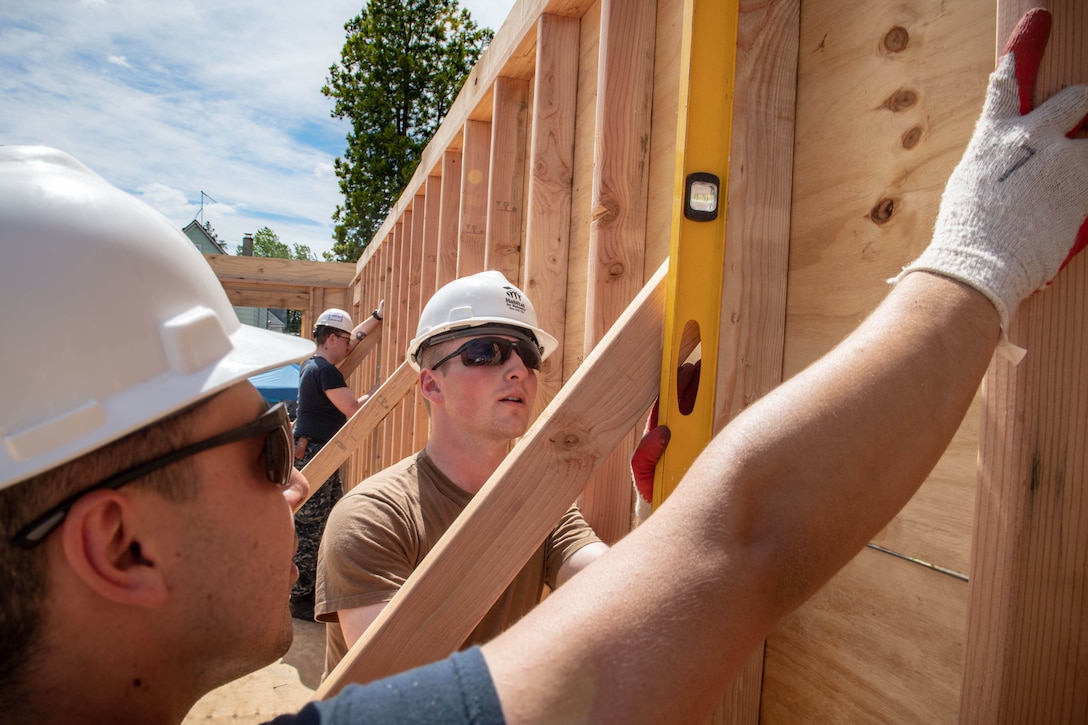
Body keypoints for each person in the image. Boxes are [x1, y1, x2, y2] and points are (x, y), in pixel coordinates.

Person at [0, 9, 1083, 724]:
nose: (293, 477)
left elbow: (637, 587)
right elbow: (728, 552)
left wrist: (652, 521)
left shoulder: (550, 512)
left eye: (526, 350)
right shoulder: (369, 521)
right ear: (119, 540)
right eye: (266, 443)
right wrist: (979, 262)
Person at [315, 270, 610, 675]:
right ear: (432, 386)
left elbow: (611, 587)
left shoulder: (541, 506)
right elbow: (407, 694)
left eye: (527, 354)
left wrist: (650, 504)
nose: (518, 370)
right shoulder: (373, 518)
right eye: (486, 351)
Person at [291, 304, 384, 621]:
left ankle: (313, 590)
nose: (349, 344)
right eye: (345, 339)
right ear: (331, 338)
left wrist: (376, 318)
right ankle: (300, 596)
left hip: (313, 450)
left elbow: (355, 337)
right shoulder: (326, 372)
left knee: (329, 516)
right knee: (311, 524)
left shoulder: (313, 365)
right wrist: (378, 389)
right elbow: (353, 408)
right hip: (317, 452)